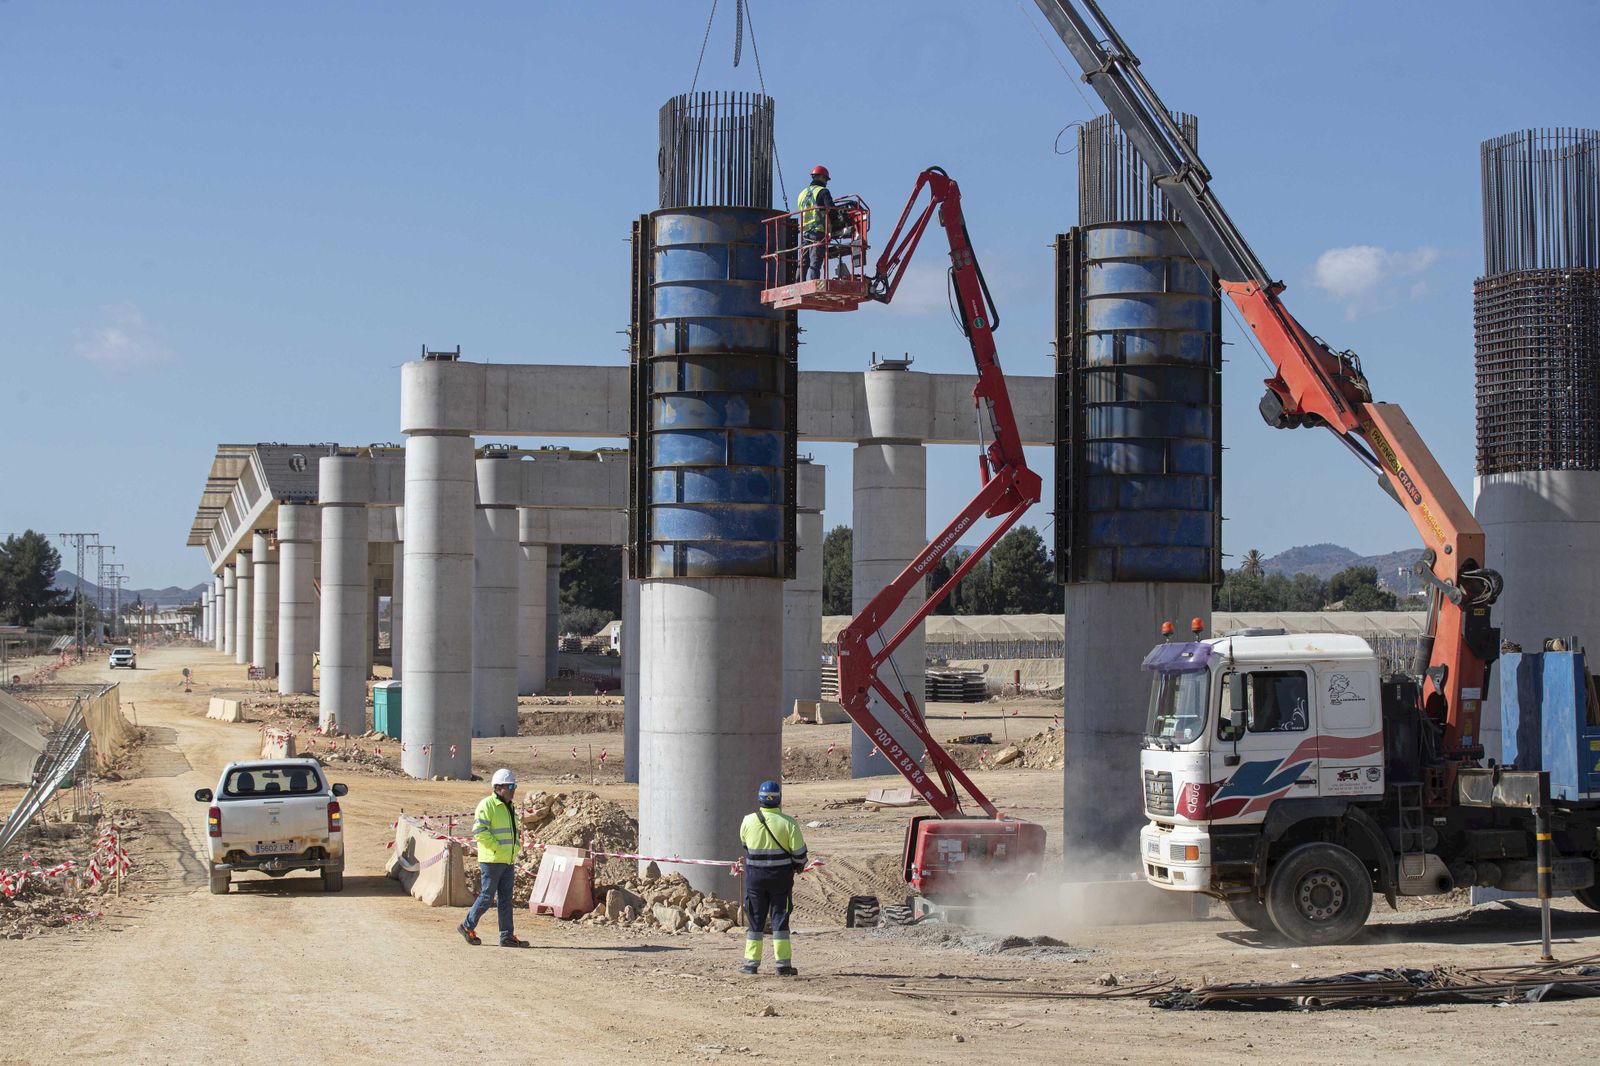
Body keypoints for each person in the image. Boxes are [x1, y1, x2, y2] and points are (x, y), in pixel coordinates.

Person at [738, 779, 808, 975]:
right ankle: (783, 965)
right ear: (779, 800)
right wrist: (797, 866)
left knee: (755, 920)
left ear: (760, 799)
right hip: (780, 881)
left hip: (755, 880)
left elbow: (745, 845)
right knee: (780, 920)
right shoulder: (789, 823)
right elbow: (800, 854)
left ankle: (750, 965)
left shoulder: (748, 821)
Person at [458, 767, 528, 947]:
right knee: (487, 897)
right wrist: (497, 848)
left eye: (514, 786)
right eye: (510, 786)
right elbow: (479, 832)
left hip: (507, 860)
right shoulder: (487, 805)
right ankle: (467, 926)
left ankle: (506, 936)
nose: (513, 790)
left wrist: (515, 847)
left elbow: (514, 832)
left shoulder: (509, 807)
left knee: (505, 899)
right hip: (492, 860)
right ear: (498, 787)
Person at [797, 165, 835, 281]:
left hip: (804, 232)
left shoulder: (802, 194)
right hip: (817, 231)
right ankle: (814, 283)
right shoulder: (823, 192)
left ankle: (798, 283)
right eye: (826, 179)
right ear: (821, 177)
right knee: (815, 261)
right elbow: (831, 210)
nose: (826, 182)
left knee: (803, 262)